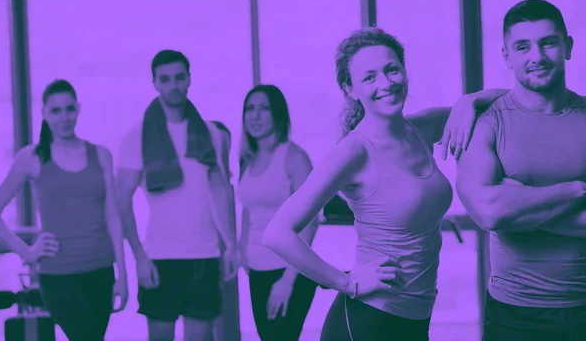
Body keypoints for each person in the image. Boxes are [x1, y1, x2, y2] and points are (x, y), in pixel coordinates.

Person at [261, 28, 508, 340]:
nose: (386, 83)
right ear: (350, 89)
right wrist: (347, 282)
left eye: (392, 69)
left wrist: (469, 100)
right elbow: (277, 233)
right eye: (369, 77)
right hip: (368, 320)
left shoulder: (420, 128)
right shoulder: (354, 152)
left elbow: (507, 104)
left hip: (416, 318)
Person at [456, 0, 586, 341]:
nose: (537, 56)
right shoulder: (487, 123)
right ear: (506, 56)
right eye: (523, 46)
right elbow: (488, 213)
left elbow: (502, 212)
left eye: (548, 43)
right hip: (514, 312)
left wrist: (519, 203)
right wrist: (573, 192)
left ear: (567, 46)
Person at [0, 79, 128, 341]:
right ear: (44, 113)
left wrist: (123, 275)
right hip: (58, 273)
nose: (64, 117)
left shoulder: (101, 155)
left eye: (69, 109)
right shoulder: (32, 158)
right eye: (56, 111)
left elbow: (113, 217)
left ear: (78, 109)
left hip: (101, 269)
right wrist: (27, 252)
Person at [115, 49, 238, 341]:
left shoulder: (211, 133)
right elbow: (122, 200)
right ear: (155, 83)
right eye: (166, 79)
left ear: (189, 79)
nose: (174, 85)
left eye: (180, 77)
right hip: (160, 256)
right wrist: (139, 258)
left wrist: (231, 245)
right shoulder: (137, 136)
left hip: (204, 256)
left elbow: (220, 189)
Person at [237, 84, 319, 341]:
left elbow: (311, 221)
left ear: (278, 115)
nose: (255, 115)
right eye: (250, 109)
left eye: (264, 108)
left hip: (288, 270)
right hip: (256, 268)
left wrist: (288, 280)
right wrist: (241, 249)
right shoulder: (248, 159)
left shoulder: (294, 157)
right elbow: (250, 209)